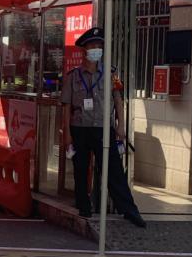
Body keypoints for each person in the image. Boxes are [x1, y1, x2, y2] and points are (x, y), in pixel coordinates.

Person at [61, 26, 147, 227]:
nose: (96, 49)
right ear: (84, 49)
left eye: (99, 46)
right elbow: (66, 107)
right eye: (92, 46)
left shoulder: (111, 74)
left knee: (113, 169)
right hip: (80, 128)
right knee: (81, 169)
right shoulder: (73, 76)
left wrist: (121, 126)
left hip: (103, 128)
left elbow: (118, 101)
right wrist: (67, 134)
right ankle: (84, 205)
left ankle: (129, 210)